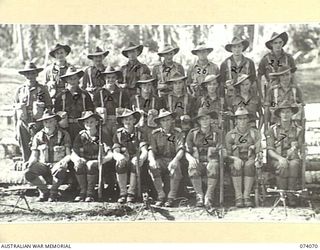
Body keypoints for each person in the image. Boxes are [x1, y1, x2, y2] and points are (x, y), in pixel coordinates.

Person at [24, 110, 71, 202]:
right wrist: (29, 163)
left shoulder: (64, 134)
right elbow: (34, 155)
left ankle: (53, 193)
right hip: (43, 165)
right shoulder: (38, 136)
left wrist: (62, 162)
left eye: (50, 121)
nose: (48, 124)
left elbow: (68, 155)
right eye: (45, 122)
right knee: (28, 172)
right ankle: (44, 191)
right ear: (43, 123)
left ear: (55, 121)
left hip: (57, 165)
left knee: (61, 170)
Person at [266, 101, 303, 207]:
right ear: (279, 114)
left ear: (292, 114)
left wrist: (296, 147)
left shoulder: (298, 129)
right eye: (283, 112)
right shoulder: (272, 129)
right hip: (277, 158)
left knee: (294, 165)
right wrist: (280, 158)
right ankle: (282, 194)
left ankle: (291, 195)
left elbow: (301, 147)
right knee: (283, 166)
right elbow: (270, 149)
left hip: (293, 157)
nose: (285, 115)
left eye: (288, 112)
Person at [71, 111, 113, 202]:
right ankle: (83, 191)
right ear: (84, 124)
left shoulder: (102, 135)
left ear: (96, 123)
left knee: (91, 165)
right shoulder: (81, 135)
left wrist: (104, 159)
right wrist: (77, 159)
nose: (89, 124)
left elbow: (110, 153)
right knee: (78, 165)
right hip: (84, 160)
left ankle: (90, 193)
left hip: (99, 163)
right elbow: (74, 151)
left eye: (91, 122)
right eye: (87, 122)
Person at [14, 62, 52, 162]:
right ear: (25, 75)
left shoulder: (43, 89)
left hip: (38, 121)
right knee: (25, 145)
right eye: (28, 74)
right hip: (23, 122)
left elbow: (49, 106)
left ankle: (39, 167)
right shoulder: (20, 90)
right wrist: (16, 128)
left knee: (39, 144)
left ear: (36, 74)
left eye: (33, 73)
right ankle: (27, 167)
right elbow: (15, 110)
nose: (30, 76)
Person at [225, 107, 262, 208]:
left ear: (248, 120)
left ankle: (246, 196)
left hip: (250, 158)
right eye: (239, 119)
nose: (242, 121)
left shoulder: (254, 133)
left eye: (244, 118)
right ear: (236, 120)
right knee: (236, 166)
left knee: (249, 166)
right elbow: (227, 154)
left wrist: (258, 157)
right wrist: (234, 159)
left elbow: (259, 149)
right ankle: (238, 197)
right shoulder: (230, 135)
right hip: (236, 158)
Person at [148, 109, 185, 207]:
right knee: (153, 168)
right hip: (161, 159)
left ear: (172, 120)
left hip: (173, 158)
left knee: (176, 168)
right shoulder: (155, 134)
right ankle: (160, 196)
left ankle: (171, 197)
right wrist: (152, 160)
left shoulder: (178, 133)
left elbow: (181, 149)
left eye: (168, 120)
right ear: (160, 122)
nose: (166, 123)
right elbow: (151, 149)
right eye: (163, 120)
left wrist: (175, 160)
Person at [185, 108, 221, 207]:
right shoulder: (192, 133)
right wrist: (191, 159)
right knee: (192, 168)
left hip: (212, 160)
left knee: (213, 166)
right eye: (202, 119)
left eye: (207, 118)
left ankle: (208, 196)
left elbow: (221, 148)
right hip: (198, 160)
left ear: (210, 120)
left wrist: (217, 154)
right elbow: (187, 151)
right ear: (199, 121)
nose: (205, 121)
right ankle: (199, 195)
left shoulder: (217, 133)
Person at [112, 109, 149, 203]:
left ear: (134, 120)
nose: (127, 122)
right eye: (125, 120)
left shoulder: (139, 133)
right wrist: (119, 156)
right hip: (124, 157)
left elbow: (144, 150)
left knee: (135, 162)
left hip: (136, 158)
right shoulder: (119, 134)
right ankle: (123, 193)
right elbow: (115, 150)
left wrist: (142, 158)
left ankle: (131, 193)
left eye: (130, 119)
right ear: (122, 121)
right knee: (120, 163)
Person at [54, 66, 94, 142]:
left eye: (75, 78)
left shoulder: (84, 94)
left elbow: (91, 109)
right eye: (70, 79)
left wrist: (87, 114)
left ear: (78, 79)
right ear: (66, 80)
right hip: (66, 127)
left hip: (81, 126)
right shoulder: (61, 96)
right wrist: (60, 114)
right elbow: (56, 111)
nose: (72, 81)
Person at [258, 32, 297, 99]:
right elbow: (258, 77)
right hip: (270, 92)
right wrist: (261, 96)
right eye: (275, 43)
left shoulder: (289, 58)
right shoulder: (265, 59)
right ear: (271, 44)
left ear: (282, 43)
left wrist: (295, 93)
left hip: (287, 92)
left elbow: (293, 76)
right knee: (270, 109)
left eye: (280, 42)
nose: (278, 45)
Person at [93, 66, 130, 136]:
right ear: (104, 78)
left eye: (113, 77)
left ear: (116, 78)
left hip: (118, 123)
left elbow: (127, 108)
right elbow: (94, 108)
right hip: (104, 123)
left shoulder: (122, 92)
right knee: (105, 143)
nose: (111, 80)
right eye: (108, 78)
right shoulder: (99, 92)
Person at [130, 74, 166, 139]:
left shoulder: (157, 99)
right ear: (140, 86)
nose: (147, 87)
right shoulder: (134, 99)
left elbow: (162, 116)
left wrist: (157, 113)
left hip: (153, 129)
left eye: (149, 85)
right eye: (144, 85)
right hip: (138, 130)